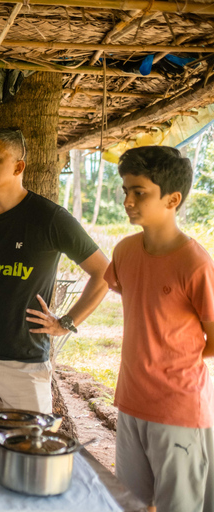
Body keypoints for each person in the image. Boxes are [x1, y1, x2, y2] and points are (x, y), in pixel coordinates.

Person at [0, 127, 109, 423]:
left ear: (19, 167)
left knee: (31, 458)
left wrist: (66, 323)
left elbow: (103, 273)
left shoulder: (49, 219)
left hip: (24, 363)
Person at [105, 146, 214, 512]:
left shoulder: (195, 263)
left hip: (178, 410)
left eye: (140, 192)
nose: (129, 200)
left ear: (173, 199)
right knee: (131, 504)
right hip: (130, 401)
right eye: (125, 191)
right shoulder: (124, 252)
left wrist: (172, 365)